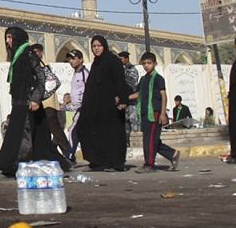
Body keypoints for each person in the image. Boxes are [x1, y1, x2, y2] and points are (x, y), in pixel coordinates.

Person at [0, 27, 67, 177]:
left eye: (10, 37)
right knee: (30, 136)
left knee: (23, 134)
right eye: (7, 38)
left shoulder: (28, 53)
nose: (7, 41)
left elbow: (40, 76)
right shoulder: (18, 55)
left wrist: (35, 99)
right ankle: (15, 164)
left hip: (28, 102)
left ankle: (16, 164)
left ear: (17, 38)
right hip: (19, 101)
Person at [76, 35, 131, 171]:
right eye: (94, 46)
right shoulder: (96, 63)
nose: (96, 49)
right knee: (90, 129)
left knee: (112, 134)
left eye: (98, 46)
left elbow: (119, 80)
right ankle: (98, 161)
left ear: (104, 46)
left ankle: (115, 163)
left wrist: (123, 100)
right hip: (96, 105)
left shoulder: (113, 60)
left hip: (111, 105)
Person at [131, 52, 179, 171]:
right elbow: (139, 94)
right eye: (144, 63)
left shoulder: (158, 78)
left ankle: (149, 164)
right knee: (151, 139)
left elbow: (163, 95)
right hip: (144, 113)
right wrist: (124, 99)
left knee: (150, 140)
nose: (146, 66)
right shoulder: (143, 79)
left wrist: (163, 114)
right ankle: (172, 154)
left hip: (155, 113)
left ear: (155, 64)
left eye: (149, 63)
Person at [60, 49, 89, 155]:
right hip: (77, 108)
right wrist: (69, 99)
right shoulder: (76, 73)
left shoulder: (84, 74)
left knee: (73, 130)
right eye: (69, 59)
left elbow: (89, 90)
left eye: (73, 58)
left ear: (81, 60)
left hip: (84, 108)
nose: (70, 61)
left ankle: (69, 155)